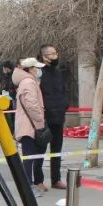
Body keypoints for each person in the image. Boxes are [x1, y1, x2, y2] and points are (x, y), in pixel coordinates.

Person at [12, 58, 50, 190]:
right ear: (30, 69)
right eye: (36, 67)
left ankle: (29, 184)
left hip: (28, 124)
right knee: (30, 157)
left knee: (31, 156)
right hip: (31, 125)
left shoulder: (26, 81)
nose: (38, 70)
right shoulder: (29, 82)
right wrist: (40, 118)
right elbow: (31, 104)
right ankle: (27, 186)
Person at [37, 44, 69, 190]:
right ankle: (38, 180)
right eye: (52, 54)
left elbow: (63, 90)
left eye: (56, 53)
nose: (55, 56)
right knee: (40, 149)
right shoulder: (38, 72)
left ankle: (56, 180)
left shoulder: (58, 72)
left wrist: (64, 104)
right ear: (44, 57)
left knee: (57, 149)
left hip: (59, 115)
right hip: (45, 117)